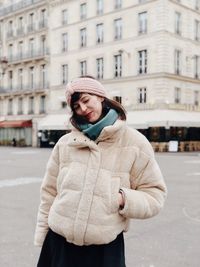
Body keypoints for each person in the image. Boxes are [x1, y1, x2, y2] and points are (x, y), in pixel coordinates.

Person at [34, 76, 167, 267]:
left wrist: (122, 198)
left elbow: (155, 195)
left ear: (100, 96)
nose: (83, 109)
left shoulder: (135, 143)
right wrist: (42, 235)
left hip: (104, 250)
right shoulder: (65, 144)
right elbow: (49, 194)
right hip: (59, 244)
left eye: (86, 100)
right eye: (76, 106)